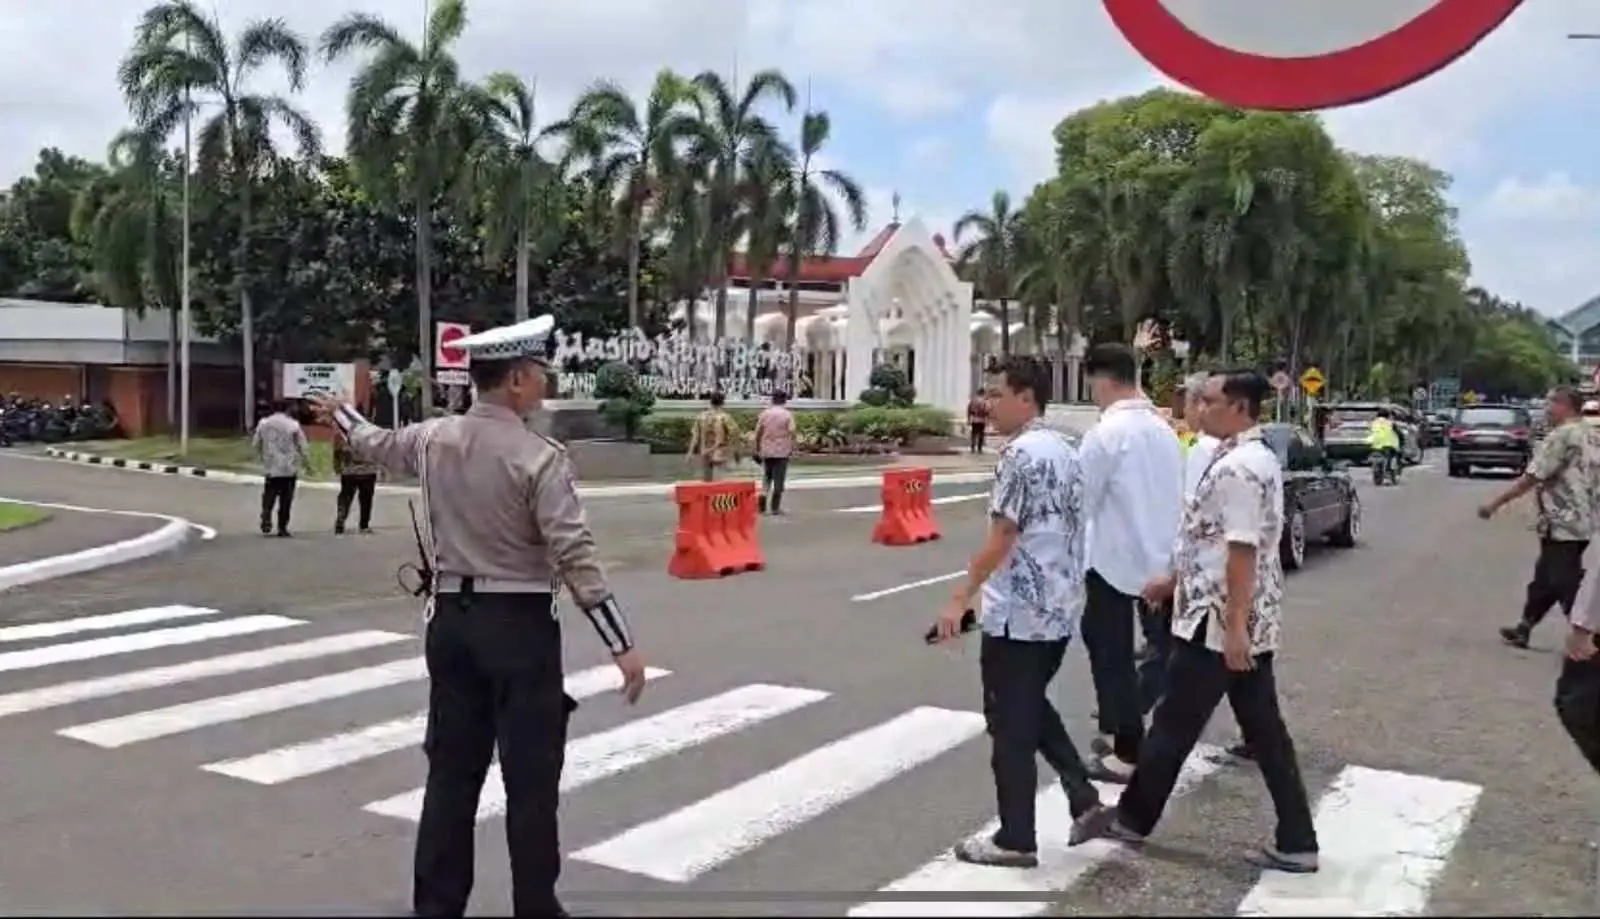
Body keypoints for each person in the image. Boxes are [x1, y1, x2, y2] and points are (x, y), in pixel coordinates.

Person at [309, 317, 650, 919]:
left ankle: (437, 908)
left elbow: (374, 443)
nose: (546, 381)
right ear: (517, 379)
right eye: (541, 372)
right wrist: (620, 642)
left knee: (451, 778)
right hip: (518, 628)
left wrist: (341, 413)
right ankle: (535, 908)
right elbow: (573, 554)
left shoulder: (433, 438)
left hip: (451, 627)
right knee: (530, 784)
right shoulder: (539, 457)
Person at [1071, 370, 1320, 876]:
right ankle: (1297, 838)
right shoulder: (1251, 457)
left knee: (1171, 726)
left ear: (1241, 409)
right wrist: (1174, 578)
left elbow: (1241, 550)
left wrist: (1232, 627)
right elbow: (1211, 541)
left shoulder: (1240, 468)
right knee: (1264, 734)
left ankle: (1134, 820)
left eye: (1209, 401)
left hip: (1216, 623)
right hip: (1236, 618)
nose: (1198, 408)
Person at [930, 355, 1102, 868]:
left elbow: (1004, 533)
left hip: (1020, 613)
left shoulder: (1021, 455)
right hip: (1059, 605)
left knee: (1010, 723)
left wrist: (961, 596)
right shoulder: (1067, 449)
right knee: (1028, 707)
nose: (988, 403)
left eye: (997, 392)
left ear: (1026, 397)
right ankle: (1083, 798)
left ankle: (1016, 837)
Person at [1077, 343, 1185, 782]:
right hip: (1163, 561)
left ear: (1102, 380)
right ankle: (1133, 727)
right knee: (1163, 650)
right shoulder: (1164, 430)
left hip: (1112, 562)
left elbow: (1079, 502)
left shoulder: (1106, 434)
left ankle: (1126, 746)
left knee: (1110, 654)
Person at [1481, 385, 1600, 650]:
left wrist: (1495, 504)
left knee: (1563, 581)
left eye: (1550, 404)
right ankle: (1525, 627)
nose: (1546, 410)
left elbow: (1534, 476)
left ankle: (1589, 636)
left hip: (1564, 520)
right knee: (1544, 578)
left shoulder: (1562, 436)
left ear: (1563, 405)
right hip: (1584, 518)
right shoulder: (1591, 434)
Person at [252, 399, 309, 537]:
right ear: (288, 409)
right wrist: (306, 462)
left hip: (271, 467)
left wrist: (262, 456)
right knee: (286, 499)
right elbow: (302, 445)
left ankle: (266, 516)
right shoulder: (293, 425)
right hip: (289, 468)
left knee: (269, 495)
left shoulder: (264, 423)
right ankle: (282, 527)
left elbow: (256, 443)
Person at [333, 421, 380, 535]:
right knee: (366, 500)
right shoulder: (372, 436)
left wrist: (337, 466)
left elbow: (337, 451)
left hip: (349, 472)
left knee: (346, 496)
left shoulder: (344, 435)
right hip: (368, 471)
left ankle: (341, 516)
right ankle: (364, 525)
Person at [754, 391, 796, 515]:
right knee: (779, 479)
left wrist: (757, 448)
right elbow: (792, 431)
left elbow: (758, 432)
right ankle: (775, 507)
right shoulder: (787, 415)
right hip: (782, 451)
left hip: (766, 450)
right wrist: (794, 447)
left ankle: (762, 499)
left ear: (772, 400)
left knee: (767, 476)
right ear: (784, 400)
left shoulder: (765, 414)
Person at [686, 392, 737, 482]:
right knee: (718, 483)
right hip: (719, 453)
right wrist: (735, 452)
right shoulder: (725, 417)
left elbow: (695, 436)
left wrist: (690, 453)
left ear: (710, 402)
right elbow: (734, 435)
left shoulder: (701, 416)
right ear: (722, 402)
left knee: (707, 483)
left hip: (705, 453)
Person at [1367, 408, 1401, 483]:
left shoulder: (1373, 423)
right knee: (1395, 456)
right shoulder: (1390, 423)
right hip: (1388, 445)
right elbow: (1398, 433)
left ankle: (1381, 471)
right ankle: (1389, 473)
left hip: (1375, 444)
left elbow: (1370, 432)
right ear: (1388, 415)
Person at [967, 389, 990, 454]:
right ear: (983, 393)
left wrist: (968, 419)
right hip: (982, 420)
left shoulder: (973, 400)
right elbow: (987, 411)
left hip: (974, 419)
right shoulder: (984, 401)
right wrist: (987, 419)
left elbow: (969, 410)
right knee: (981, 434)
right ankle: (979, 449)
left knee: (974, 434)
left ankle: (972, 448)